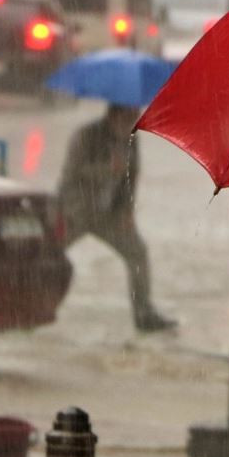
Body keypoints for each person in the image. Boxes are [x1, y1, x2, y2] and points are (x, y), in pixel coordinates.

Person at [57, 103, 175, 333]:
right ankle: (26, 306)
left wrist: (127, 210)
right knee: (48, 252)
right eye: (130, 115)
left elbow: (131, 178)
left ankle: (143, 313)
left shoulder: (132, 139)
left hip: (109, 213)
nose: (134, 119)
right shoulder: (86, 136)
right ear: (115, 114)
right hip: (75, 211)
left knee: (137, 252)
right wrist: (106, 168)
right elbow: (71, 174)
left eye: (136, 114)